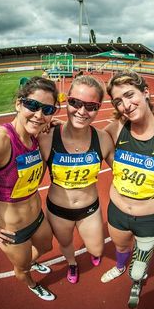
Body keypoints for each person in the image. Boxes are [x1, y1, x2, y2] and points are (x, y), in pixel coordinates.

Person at [0, 76, 59, 301]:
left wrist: (50, 124)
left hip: (37, 217)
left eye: (47, 109)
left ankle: (33, 261)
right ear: (18, 103)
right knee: (22, 269)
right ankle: (33, 284)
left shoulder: (37, 134)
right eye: (33, 105)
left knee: (46, 246)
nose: (39, 114)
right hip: (12, 230)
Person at [100, 70, 154, 308]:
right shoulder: (116, 128)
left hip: (149, 220)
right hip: (117, 213)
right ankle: (119, 266)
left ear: (146, 92)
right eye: (118, 101)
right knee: (120, 248)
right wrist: (52, 127)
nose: (125, 105)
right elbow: (91, 143)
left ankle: (136, 280)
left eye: (130, 95)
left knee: (138, 267)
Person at [38, 75, 114, 284]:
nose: (81, 111)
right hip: (58, 210)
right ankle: (72, 263)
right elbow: (24, 174)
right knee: (66, 244)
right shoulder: (46, 137)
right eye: (75, 103)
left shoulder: (103, 139)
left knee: (97, 248)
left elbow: (122, 173)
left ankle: (93, 253)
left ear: (99, 108)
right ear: (66, 101)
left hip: (89, 209)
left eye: (91, 106)